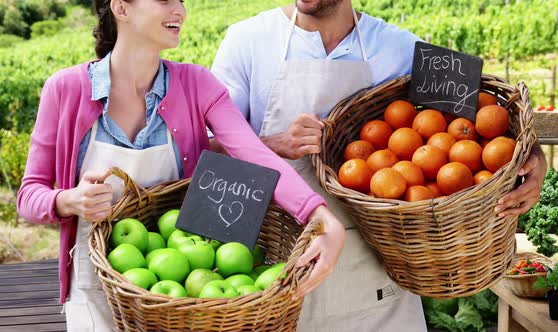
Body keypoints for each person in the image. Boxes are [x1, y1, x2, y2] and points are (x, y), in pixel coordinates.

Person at [210, 0, 548, 331]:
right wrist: (272, 145)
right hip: (276, 270)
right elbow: (202, 150)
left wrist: (535, 160)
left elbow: (493, 119)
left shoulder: (400, 47)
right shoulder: (247, 41)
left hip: (375, 279)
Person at [16, 0, 345, 330]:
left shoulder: (197, 85)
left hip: (179, 302)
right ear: (121, 7)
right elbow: (29, 196)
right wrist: (69, 200)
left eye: (182, 1)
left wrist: (320, 217)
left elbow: (253, 155)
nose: (180, 11)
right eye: (165, 0)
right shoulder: (66, 89)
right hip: (94, 287)